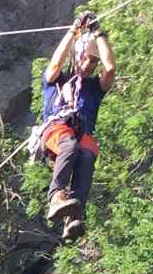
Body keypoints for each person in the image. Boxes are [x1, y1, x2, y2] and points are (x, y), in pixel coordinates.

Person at [36, 12, 115, 242]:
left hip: (81, 133)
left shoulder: (94, 88)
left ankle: (74, 216)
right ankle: (56, 196)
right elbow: (55, 63)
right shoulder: (56, 81)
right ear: (77, 57)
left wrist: (99, 32)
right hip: (56, 129)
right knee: (69, 145)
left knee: (87, 154)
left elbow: (110, 69)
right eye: (87, 58)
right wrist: (74, 31)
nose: (89, 63)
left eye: (93, 60)